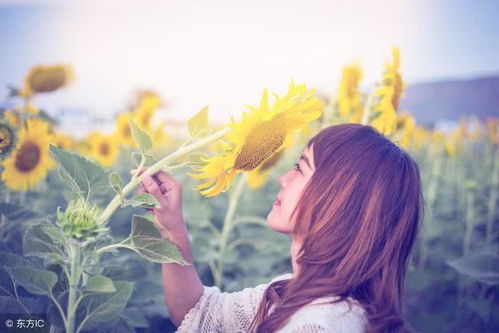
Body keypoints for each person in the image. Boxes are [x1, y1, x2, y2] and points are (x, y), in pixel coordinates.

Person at [134, 123, 424, 332]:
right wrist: (172, 229)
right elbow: (200, 313)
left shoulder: (319, 324)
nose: (283, 178)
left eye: (300, 168)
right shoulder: (293, 292)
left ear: (339, 201)